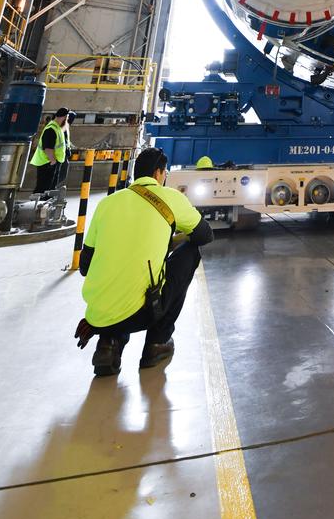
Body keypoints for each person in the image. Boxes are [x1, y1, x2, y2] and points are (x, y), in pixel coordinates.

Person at [74, 147, 214, 377]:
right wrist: (171, 240)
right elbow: (205, 236)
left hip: (97, 317)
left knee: (121, 273)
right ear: (159, 173)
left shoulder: (107, 203)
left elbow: (85, 267)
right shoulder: (170, 198)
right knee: (190, 253)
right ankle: (157, 342)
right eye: (164, 173)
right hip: (142, 314)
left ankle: (109, 344)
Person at [30, 108, 74, 193]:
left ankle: (44, 200)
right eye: (67, 117)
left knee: (50, 187)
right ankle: (39, 201)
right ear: (64, 117)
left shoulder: (57, 128)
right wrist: (53, 161)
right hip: (47, 162)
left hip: (52, 162)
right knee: (43, 188)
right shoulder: (51, 129)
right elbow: (48, 148)